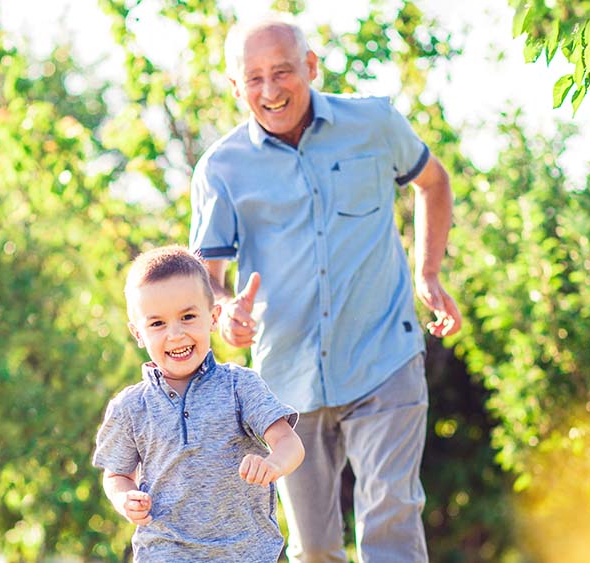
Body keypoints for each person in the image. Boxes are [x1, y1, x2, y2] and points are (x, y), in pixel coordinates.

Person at [189, 13, 463, 563]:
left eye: (282, 72)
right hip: (286, 383)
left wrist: (428, 273)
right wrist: (226, 315)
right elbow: (206, 283)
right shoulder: (221, 169)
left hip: (384, 356)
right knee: (314, 549)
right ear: (235, 86)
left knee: (389, 522)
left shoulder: (374, 123)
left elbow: (433, 183)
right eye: (254, 78)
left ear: (310, 66)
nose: (270, 91)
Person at [93, 245, 306, 562]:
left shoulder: (239, 386)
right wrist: (125, 499)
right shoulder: (130, 407)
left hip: (244, 552)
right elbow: (116, 475)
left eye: (188, 317)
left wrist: (273, 465)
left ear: (213, 317)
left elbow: (290, 444)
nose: (176, 334)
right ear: (138, 333)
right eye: (157, 324)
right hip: (165, 551)